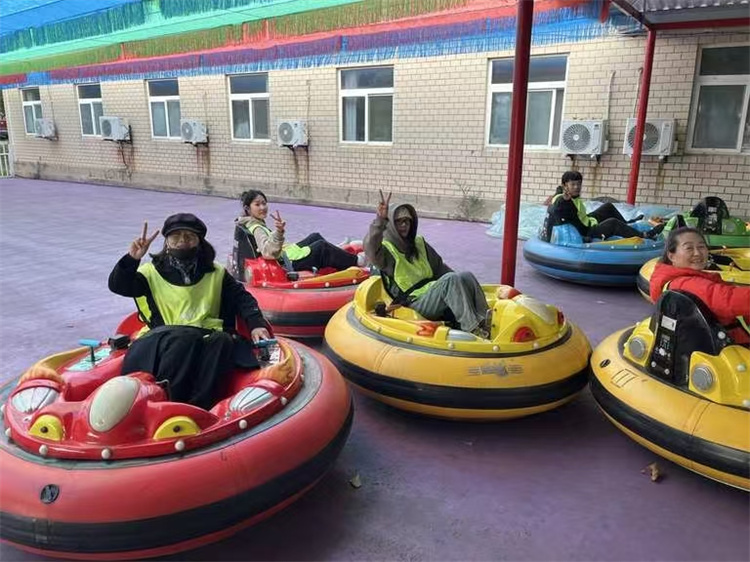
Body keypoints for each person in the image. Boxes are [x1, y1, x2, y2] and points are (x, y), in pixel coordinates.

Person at [109, 213, 272, 409]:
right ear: (167, 242)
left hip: (206, 336)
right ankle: (169, 403)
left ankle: (199, 407)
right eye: (175, 236)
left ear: (199, 242)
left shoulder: (216, 272)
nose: (182, 241)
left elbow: (242, 298)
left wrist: (256, 324)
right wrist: (131, 259)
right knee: (185, 338)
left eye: (189, 236)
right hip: (163, 339)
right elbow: (119, 285)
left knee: (224, 341)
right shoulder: (150, 272)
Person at [364, 190, 490, 338]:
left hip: (431, 294)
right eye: (399, 222)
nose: (404, 225)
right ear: (391, 224)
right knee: (451, 280)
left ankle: (486, 320)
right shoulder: (386, 251)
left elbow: (441, 268)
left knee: (465, 276)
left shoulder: (418, 243)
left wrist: (461, 286)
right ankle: (473, 329)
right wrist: (380, 220)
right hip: (413, 303)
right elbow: (370, 248)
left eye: (407, 221)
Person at [650, 226, 750, 346]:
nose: (697, 253)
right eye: (689, 248)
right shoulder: (685, 283)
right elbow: (728, 300)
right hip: (726, 346)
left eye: (701, 247)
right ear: (671, 256)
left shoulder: (676, 278)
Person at [237, 190, 366, 271]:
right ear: (248, 208)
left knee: (315, 236)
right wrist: (279, 232)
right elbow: (268, 252)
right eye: (257, 204)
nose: (263, 207)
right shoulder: (257, 228)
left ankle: (338, 251)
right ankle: (358, 261)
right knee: (322, 247)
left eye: (264, 203)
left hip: (284, 254)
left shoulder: (252, 222)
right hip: (287, 264)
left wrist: (278, 232)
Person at [543, 171, 663, 242]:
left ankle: (626, 223)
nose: (577, 187)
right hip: (587, 231)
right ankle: (645, 235)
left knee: (608, 206)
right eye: (573, 184)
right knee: (612, 223)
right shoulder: (562, 199)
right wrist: (564, 199)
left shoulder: (572, 196)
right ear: (565, 186)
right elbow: (559, 207)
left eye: (579, 184)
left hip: (587, 221)